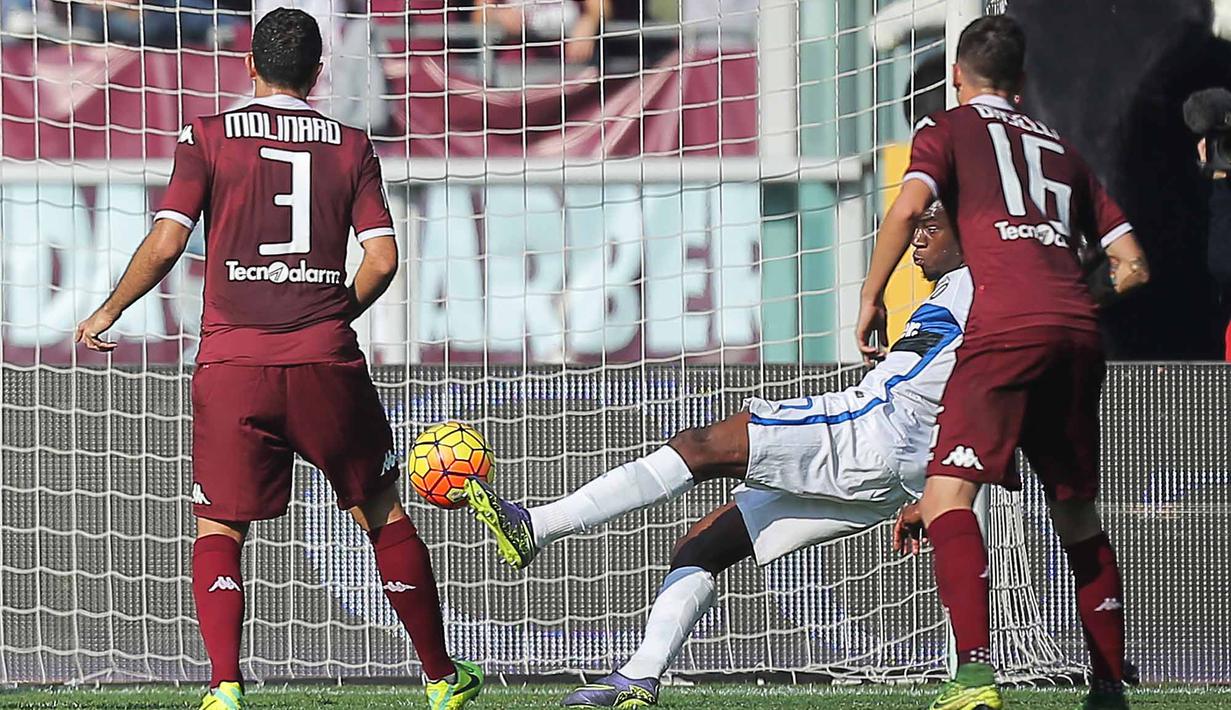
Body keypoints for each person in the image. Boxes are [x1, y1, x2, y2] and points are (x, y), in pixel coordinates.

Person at [74, 9, 482, 710]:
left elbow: (168, 244)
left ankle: (225, 688)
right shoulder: (351, 145)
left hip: (234, 364)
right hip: (326, 362)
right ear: (319, 72)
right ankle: (442, 679)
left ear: (249, 66)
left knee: (219, 526)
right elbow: (382, 259)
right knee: (380, 514)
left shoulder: (206, 136)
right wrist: (331, 314)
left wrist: (107, 311)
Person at [462, 202, 970, 707]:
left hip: (869, 429)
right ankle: (639, 677)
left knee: (698, 446)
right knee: (706, 544)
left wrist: (871, 294)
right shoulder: (966, 291)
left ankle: (538, 526)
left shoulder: (986, 288)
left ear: (970, 233)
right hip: (898, 471)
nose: (916, 239)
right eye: (918, 226)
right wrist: (932, 486)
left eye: (931, 226)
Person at [856, 16, 1150, 710]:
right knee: (1076, 514)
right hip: (1076, 334)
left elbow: (906, 210)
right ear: (1021, 83)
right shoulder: (1063, 149)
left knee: (948, 497)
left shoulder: (946, 127)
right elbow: (1130, 265)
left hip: (1002, 328)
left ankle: (972, 677)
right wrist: (1067, 301)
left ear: (957, 74)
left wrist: (870, 297)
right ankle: (1108, 687)